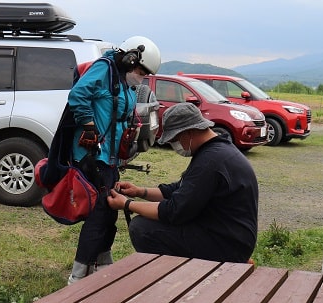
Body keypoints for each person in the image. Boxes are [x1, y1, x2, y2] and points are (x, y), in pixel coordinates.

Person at [107, 102, 258, 263]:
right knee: (147, 224)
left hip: (227, 244)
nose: (175, 146)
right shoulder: (216, 151)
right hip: (231, 236)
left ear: (189, 133)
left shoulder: (210, 161)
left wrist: (127, 204)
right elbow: (180, 189)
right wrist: (140, 192)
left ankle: (178, 278)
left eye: (175, 139)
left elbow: (174, 211)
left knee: (142, 228)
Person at [66, 36, 161, 284]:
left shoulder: (123, 81)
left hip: (109, 158)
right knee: (100, 214)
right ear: (130, 58)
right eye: (140, 71)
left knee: (109, 212)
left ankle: (102, 265)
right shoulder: (104, 69)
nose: (141, 77)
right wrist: (88, 124)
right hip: (92, 156)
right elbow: (78, 95)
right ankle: (78, 276)